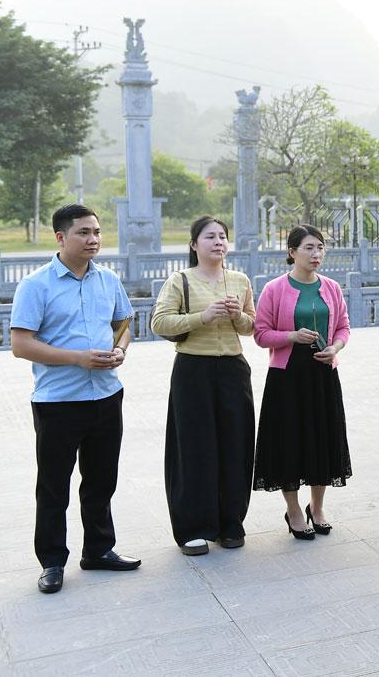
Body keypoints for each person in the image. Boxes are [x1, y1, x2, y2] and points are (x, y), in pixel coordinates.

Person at [9, 205, 141, 594]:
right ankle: (52, 561)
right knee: (54, 486)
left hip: (107, 395)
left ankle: (98, 550)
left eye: (97, 232)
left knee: (101, 480)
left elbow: (123, 325)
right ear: (61, 237)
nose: (93, 239)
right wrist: (78, 358)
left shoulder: (108, 280)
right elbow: (21, 344)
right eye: (83, 232)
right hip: (58, 402)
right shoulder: (35, 285)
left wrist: (120, 350)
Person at [150, 216, 256, 556]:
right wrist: (203, 317)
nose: (218, 242)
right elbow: (159, 322)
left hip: (234, 370)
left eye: (223, 236)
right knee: (194, 448)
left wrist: (238, 316)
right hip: (193, 369)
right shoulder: (179, 280)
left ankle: (230, 523)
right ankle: (193, 528)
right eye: (210, 237)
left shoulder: (239, 280)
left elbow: (252, 327)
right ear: (194, 245)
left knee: (236, 445)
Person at [253, 225, 352, 540]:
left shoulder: (331, 287)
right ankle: (294, 510)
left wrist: (335, 348)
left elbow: (344, 327)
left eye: (320, 247)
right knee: (290, 442)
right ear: (292, 252)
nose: (316, 254)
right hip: (287, 377)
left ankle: (317, 507)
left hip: (323, 374)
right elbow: (260, 334)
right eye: (309, 248)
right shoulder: (274, 289)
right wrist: (292, 336)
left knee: (323, 440)